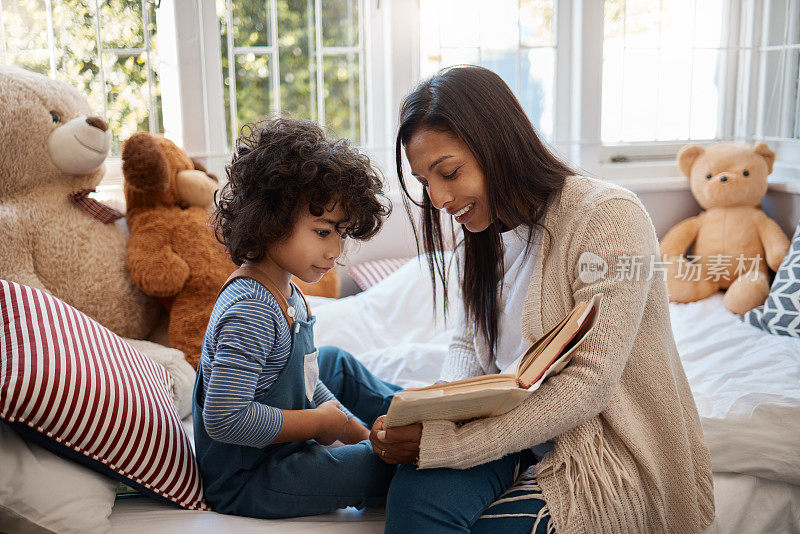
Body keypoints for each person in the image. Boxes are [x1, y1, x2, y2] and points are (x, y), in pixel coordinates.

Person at [368, 65, 715, 533]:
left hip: (592, 453)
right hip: (506, 432)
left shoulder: (608, 217)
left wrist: (448, 447)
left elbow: (587, 385)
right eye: (426, 181)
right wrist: (443, 413)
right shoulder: (484, 229)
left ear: (498, 144)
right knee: (413, 491)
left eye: (449, 173)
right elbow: (469, 346)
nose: (441, 199)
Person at [192, 117, 402, 519]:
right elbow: (225, 419)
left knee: (335, 363)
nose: (336, 251)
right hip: (250, 477)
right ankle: (410, 444)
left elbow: (308, 380)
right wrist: (317, 425)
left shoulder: (288, 291)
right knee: (386, 469)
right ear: (270, 219)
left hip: (281, 446)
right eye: (323, 232)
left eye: (342, 235)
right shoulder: (251, 309)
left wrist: (353, 431)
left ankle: (411, 414)